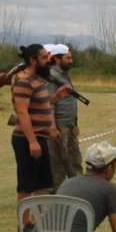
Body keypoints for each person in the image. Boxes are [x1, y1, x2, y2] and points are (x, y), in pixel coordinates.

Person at [12, 44, 60, 228]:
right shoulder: (23, 81)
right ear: (32, 60)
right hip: (26, 140)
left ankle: (37, 221)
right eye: (43, 57)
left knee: (43, 184)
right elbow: (22, 113)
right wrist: (32, 141)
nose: (47, 60)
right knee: (26, 185)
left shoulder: (38, 80)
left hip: (41, 137)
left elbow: (43, 103)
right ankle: (24, 225)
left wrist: (57, 98)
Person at [45, 43, 83, 190]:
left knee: (75, 158)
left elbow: (70, 100)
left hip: (69, 124)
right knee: (58, 161)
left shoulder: (64, 75)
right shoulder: (51, 77)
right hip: (59, 124)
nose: (71, 61)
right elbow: (50, 104)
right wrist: (53, 127)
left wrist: (75, 123)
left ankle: (79, 189)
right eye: (67, 58)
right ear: (56, 59)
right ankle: (56, 191)